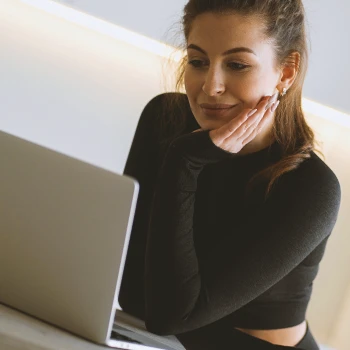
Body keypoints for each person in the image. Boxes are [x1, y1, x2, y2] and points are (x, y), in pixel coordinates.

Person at [119, 0, 342, 349]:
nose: (211, 86)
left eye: (237, 65)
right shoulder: (164, 119)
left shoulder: (310, 187)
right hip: (162, 341)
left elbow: (166, 317)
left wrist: (186, 163)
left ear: (286, 72)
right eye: (198, 61)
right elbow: (131, 293)